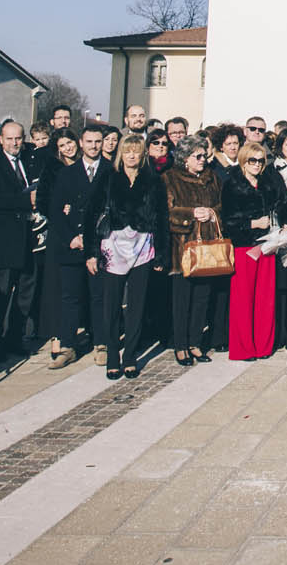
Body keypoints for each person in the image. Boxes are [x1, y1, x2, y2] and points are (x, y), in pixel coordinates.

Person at [93, 134, 165, 378]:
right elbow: (91, 214)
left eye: (136, 151)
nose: (132, 156)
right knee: (112, 304)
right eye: (127, 151)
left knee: (137, 305)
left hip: (143, 246)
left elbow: (162, 217)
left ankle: (131, 355)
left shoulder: (153, 180)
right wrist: (91, 253)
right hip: (113, 247)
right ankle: (113, 354)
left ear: (143, 154)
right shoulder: (109, 178)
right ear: (120, 154)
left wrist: (161, 255)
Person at [43, 126, 109, 368]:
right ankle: (68, 344)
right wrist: (72, 237)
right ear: (81, 143)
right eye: (89, 141)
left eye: (98, 141)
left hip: (98, 245)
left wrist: (92, 238)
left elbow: (111, 211)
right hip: (70, 244)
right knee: (69, 296)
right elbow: (55, 210)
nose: (93, 146)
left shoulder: (110, 171)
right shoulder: (67, 173)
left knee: (98, 295)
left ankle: (101, 343)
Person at [0, 119, 40, 362]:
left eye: (19, 138)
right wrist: (27, 201)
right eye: (10, 138)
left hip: (29, 235)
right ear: (1, 139)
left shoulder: (28, 161)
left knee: (26, 289)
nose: (15, 143)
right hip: (5, 237)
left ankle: (15, 336)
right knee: (3, 290)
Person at [222, 142, 287, 361]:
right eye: (253, 160)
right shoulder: (232, 184)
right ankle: (243, 348)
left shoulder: (267, 182)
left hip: (267, 245)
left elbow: (282, 205)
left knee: (265, 298)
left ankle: (263, 345)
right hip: (244, 247)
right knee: (243, 299)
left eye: (261, 161)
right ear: (243, 160)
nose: (257, 165)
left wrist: (283, 223)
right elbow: (228, 220)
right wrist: (252, 224)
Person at [165, 137, 223, 366]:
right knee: (182, 300)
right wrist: (191, 213)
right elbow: (166, 212)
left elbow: (221, 205)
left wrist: (212, 213)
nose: (202, 160)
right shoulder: (170, 178)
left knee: (202, 299)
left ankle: (195, 343)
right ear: (185, 158)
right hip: (182, 249)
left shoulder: (212, 178)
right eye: (197, 157)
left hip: (207, 248)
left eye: (204, 156)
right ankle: (180, 346)